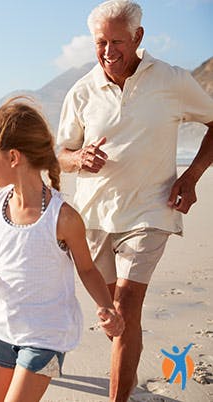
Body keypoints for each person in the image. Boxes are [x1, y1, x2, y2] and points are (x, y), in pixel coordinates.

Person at [56, 1, 213, 401]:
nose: (108, 51)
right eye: (101, 43)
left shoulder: (172, 80)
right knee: (116, 317)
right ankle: (126, 382)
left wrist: (191, 176)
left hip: (150, 209)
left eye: (117, 42)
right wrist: (77, 159)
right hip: (93, 216)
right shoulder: (81, 91)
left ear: (138, 37)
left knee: (125, 308)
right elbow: (58, 154)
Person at [0, 97, 125, 402]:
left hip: (47, 335)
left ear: (14, 156)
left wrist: (107, 307)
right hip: (3, 328)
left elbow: (87, 269)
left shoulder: (64, 218)